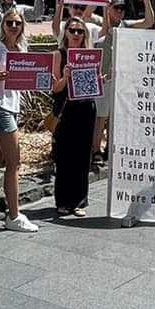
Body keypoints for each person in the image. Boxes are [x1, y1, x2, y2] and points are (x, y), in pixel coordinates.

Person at [0, 9, 39, 232]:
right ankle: (14, 215)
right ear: (2, 24)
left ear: (22, 26)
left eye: (17, 23)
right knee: (14, 163)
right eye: (9, 22)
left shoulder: (22, 49)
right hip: (0, 106)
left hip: (13, 105)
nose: (13, 26)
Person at [91, 0, 155, 167]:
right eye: (116, 8)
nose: (120, 12)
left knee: (115, 116)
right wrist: (103, 6)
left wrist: (147, 1)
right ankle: (95, 150)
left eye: (123, 8)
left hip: (122, 80)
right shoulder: (98, 24)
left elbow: (148, 22)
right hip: (103, 78)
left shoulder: (126, 26)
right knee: (100, 116)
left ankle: (110, 149)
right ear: (109, 8)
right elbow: (97, 27)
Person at [51, 18, 97, 217]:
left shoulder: (89, 55)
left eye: (80, 31)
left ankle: (79, 201)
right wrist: (66, 77)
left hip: (86, 107)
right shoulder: (58, 55)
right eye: (73, 30)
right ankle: (63, 200)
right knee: (65, 156)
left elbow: (92, 84)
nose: (76, 34)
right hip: (66, 109)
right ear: (66, 32)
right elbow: (54, 88)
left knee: (82, 156)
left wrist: (101, 80)